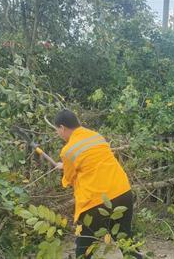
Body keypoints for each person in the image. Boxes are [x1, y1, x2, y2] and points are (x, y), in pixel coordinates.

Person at [54, 109, 135, 258]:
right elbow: (92, 161)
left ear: (62, 128)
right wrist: (65, 165)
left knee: (84, 248)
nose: (58, 134)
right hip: (123, 192)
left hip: (96, 201)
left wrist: (65, 168)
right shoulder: (96, 136)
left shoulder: (68, 151)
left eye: (57, 131)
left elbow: (69, 179)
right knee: (125, 241)